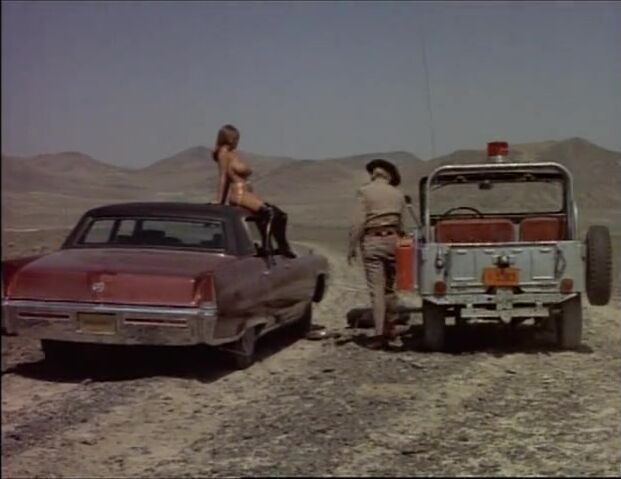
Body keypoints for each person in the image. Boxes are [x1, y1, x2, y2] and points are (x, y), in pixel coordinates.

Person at [348, 159, 407, 349]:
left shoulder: (364, 192)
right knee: (390, 288)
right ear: (389, 176)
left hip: (373, 241)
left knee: (377, 290)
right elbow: (402, 225)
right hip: (394, 240)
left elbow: (358, 223)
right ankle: (391, 328)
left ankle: (380, 334)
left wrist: (352, 246)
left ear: (374, 174)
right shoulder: (398, 194)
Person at [212, 124, 296, 258]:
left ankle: (282, 246)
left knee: (281, 215)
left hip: (247, 193)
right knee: (269, 213)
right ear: (228, 138)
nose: (237, 141)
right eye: (235, 138)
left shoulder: (233, 154)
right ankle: (267, 247)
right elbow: (223, 177)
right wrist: (219, 201)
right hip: (239, 194)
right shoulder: (223, 153)